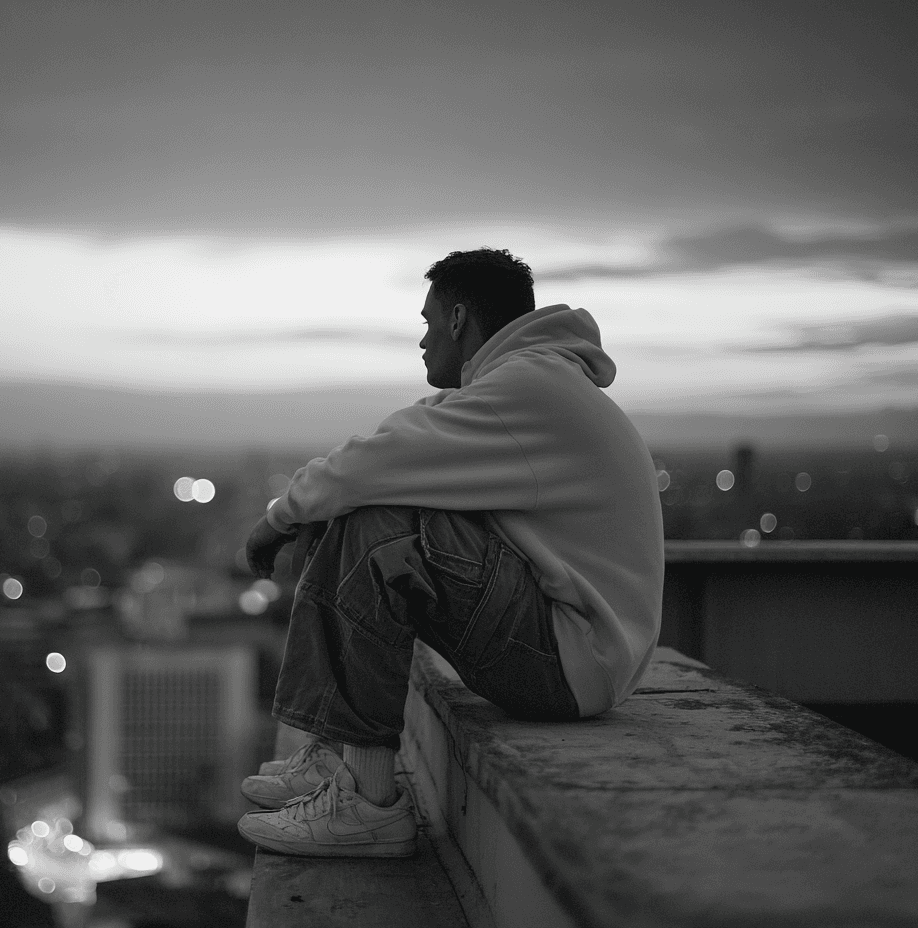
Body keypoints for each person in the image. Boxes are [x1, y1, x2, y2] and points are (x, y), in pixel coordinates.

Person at [236, 248, 664, 858]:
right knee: (364, 507)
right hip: (574, 651)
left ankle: (368, 804)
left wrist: (276, 520)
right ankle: (336, 755)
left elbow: (375, 462)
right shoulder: (527, 383)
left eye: (428, 322)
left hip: (572, 661)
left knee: (378, 524)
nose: (423, 342)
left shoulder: (527, 387)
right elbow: (396, 444)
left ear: (459, 319)